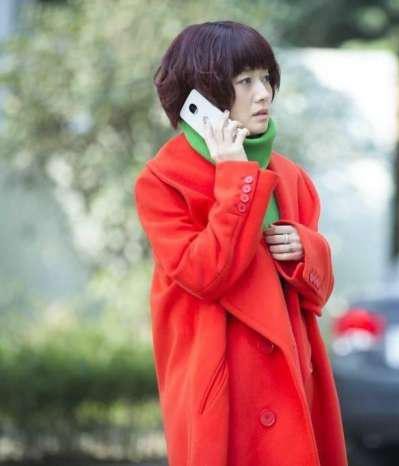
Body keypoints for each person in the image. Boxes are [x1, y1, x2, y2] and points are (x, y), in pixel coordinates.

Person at [133, 20, 348, 466]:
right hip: (221, 393)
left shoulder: (290, 177)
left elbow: (318, 294)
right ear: (203, 96)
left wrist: (306, 249)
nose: (264, 93)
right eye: (245, 81)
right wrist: (235, 176)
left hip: (291, 386)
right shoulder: (163, 181)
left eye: (266, 78)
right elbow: (205, 275)